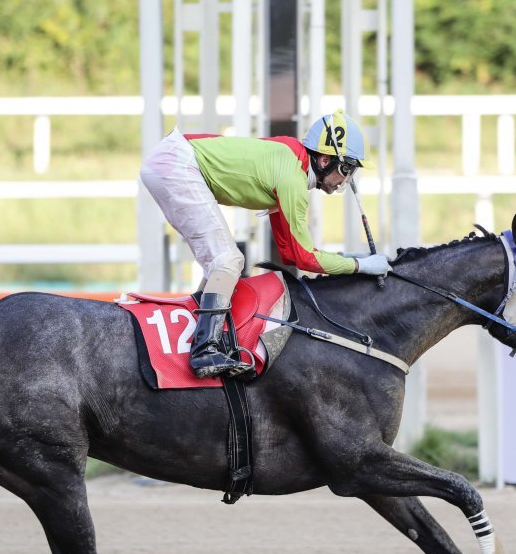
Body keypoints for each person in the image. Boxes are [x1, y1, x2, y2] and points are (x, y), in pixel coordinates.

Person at [139, 109, 391, 379]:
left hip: (172, 159)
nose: (346, 179)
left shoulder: (291, 163)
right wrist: (359, 265)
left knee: (221, 265)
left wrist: (348, 259)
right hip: (175, 163)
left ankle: (197, 337)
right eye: (346, 168)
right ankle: (204, 349)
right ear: (324, 159)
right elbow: (305, 257)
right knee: (228, 261)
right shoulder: (292, 178)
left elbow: (290, 254)